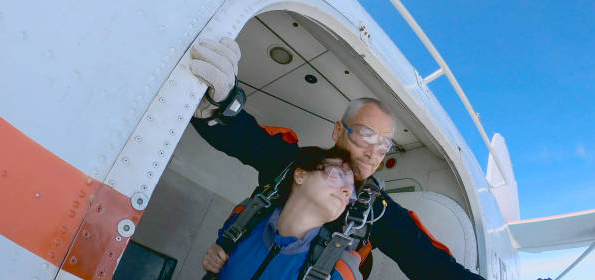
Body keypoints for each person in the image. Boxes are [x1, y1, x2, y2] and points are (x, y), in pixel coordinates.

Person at [189, 38, 485, 279]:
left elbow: (432, 265)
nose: (373, 153)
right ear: (337, 131)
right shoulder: (293, 163)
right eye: (366, 136)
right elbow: (246, 140)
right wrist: (218, 106)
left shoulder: (377, 211)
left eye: (384, 146)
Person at [202, 146, 361, 279]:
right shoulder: (245, 216)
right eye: (338, 175)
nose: (347, 190)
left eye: (351, 190)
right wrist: (214, 258)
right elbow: (218, 256)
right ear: (301, 175)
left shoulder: (339, 270)